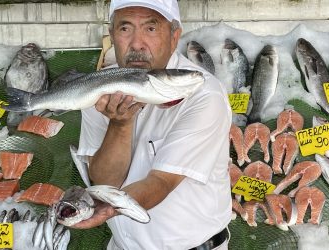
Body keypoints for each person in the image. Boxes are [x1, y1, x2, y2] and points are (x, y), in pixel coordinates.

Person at [74, 0, 232, 249]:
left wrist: (110, 207)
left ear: (174, 36)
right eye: (125, 29)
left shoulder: (202, 93)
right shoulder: (101, 86)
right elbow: (106, 180)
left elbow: (161, 182)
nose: (136, 44)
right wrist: (120, 125)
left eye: (151, 28)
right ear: (112, 35)